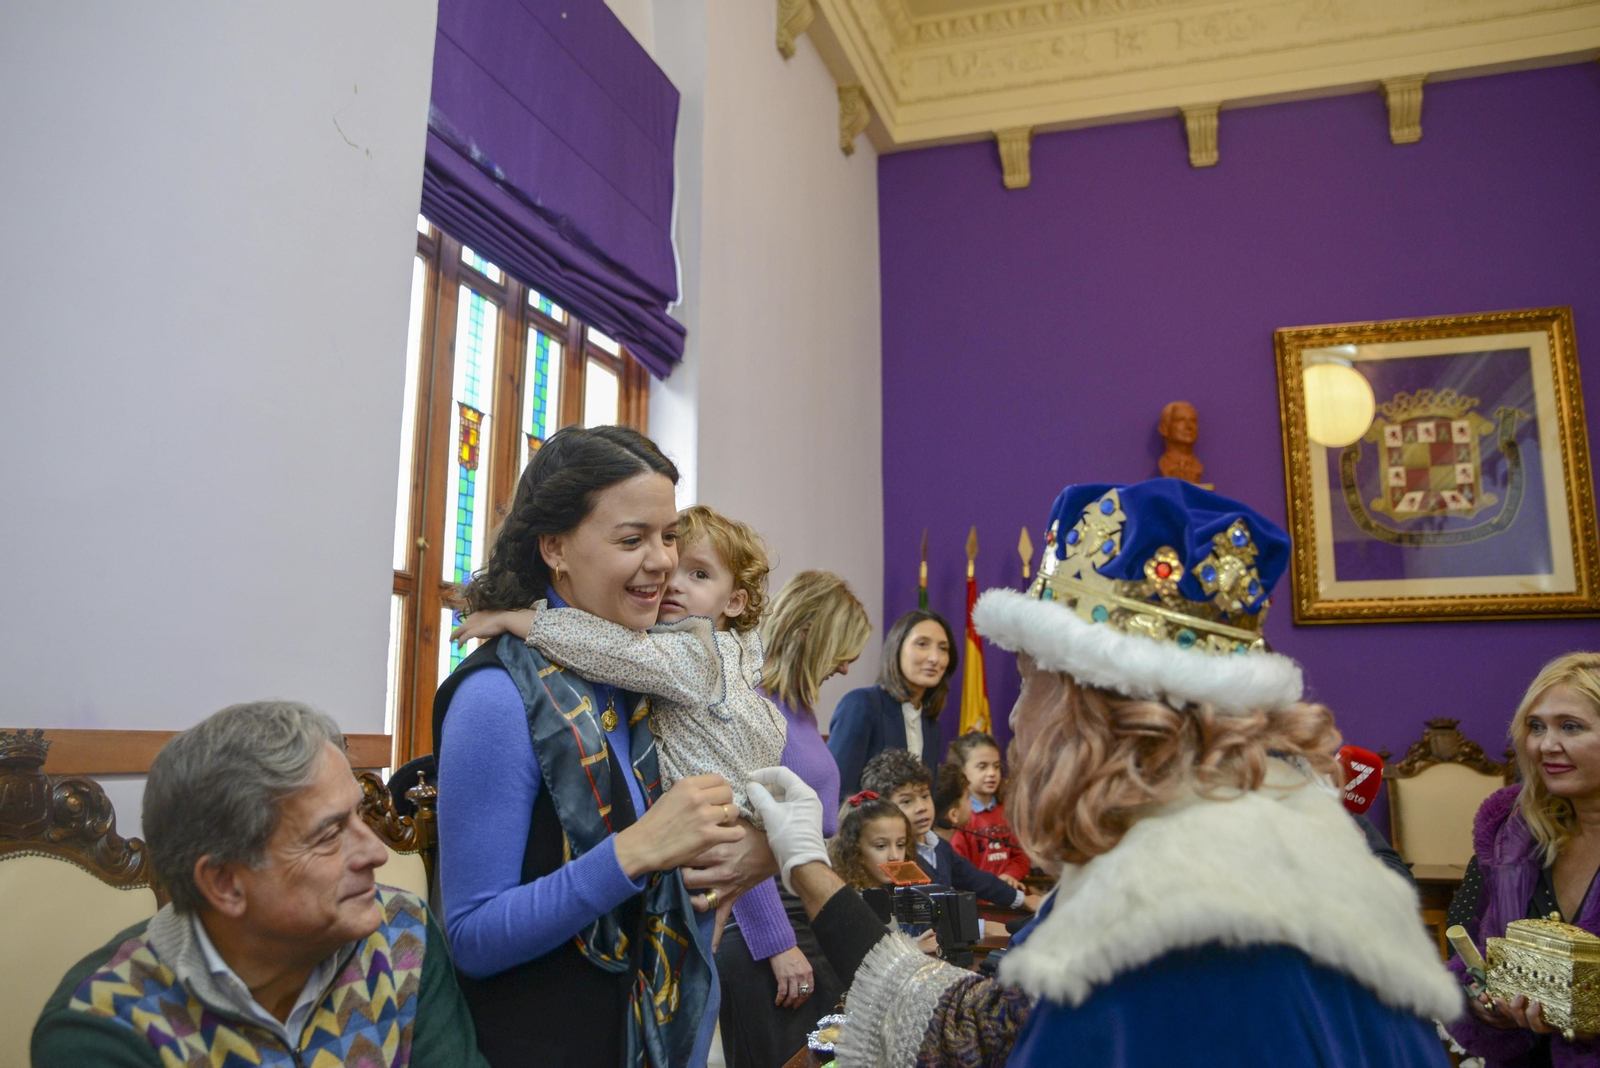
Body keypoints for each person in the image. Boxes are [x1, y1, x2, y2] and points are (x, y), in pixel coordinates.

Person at [746, 479, 1461, 1068]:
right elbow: (984, 1026)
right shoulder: (1219, 850)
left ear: (1104, 713)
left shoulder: (1182, 931)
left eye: (1030, 683)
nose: (1017, 718)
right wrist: (809, 861)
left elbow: (987, 1040)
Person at [433, 425, 773, 1068]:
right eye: (632, 539)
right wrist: (641, 849)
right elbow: (473, 938)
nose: (664, 561)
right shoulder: (497, 698)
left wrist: (756, 850)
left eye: (669, 535)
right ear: (555, 547)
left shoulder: (644, 674)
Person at [32, 701, 487, 1068]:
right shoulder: (105, 1027)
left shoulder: (402, 935)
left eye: (359, 816)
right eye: (329, 835)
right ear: (225, 882)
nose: (376, 853)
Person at [451, 503, 787, 826]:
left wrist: (523, 621)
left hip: (714, 836)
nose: (673, 583)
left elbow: (614, 650)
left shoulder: (700, 654)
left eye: (699, 574)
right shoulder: (735, 653)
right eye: (673, 568)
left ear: (734, 601)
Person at [715, 569, 872, 1068]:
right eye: (842, 649)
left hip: (803, 906)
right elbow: (739, 836)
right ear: (809, 633)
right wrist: (776, 944)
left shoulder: (798, 709)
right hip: (765, 921)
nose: (846, 668)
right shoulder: (753, 705)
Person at [1445, 652, 1600, 1066]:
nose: (1546, 745)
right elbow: (1470, 949)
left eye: (1571, 726)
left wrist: (1587, 1023)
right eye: (1536, 727)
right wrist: (1483, 1005)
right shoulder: (1511, 833)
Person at [863, 748, 1039, 912]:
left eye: (925, 796)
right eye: (907, 802)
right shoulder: (895, 858)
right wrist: (983, 929)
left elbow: (977, 880)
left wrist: (1022, 899)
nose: (921, 807)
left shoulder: (938, 845)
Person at [829, 609, 956, 797]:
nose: (934, 658)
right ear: (896, 648)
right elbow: (836, 793)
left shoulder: (931, 726)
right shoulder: (862, 705)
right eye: (922, 644)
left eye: (943, 648)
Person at [828, 791, 939, 954]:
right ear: (854, 849)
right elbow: (863, 959)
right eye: (881, 846)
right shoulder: (849, 901)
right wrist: (914, 948)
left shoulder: (894, 892)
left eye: (900, 845)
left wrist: (917, 942)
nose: (894, 856)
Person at [948, 731, 1033, 885]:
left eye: (996, 766)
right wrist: (992, 889)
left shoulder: (1007, 810)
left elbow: (1021, 856)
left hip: (1010, 900)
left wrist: (1010, 875)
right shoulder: (959, 816)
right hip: (979, 902)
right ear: (962, 770)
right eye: (982, 767)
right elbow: (960, 869)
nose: (992, 773)